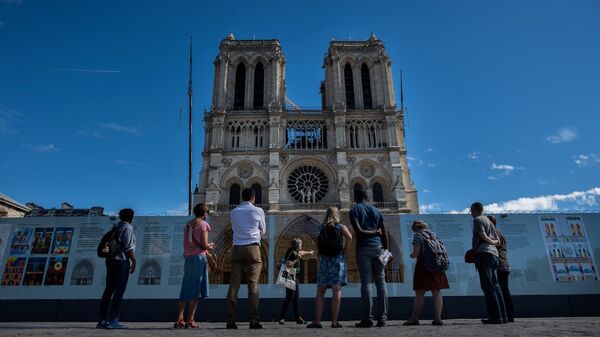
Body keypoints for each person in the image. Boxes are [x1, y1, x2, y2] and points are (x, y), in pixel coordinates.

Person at [226, 188, 266, 329]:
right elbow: (264, 230)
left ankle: (231, 320)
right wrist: (258, 232)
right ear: (253, 198)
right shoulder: (258, 211)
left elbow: (235, 228)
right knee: (253, 286)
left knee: (234, 286)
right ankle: (254, 320)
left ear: (242, 198)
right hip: (252, 249)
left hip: (236, 249)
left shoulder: (234, 212)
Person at [307, 206, 353, 329]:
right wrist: (345, 250)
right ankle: (334, 322)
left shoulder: (320, 227)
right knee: (336, 290)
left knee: (320, 291)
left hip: (323, 260)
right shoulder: (340, 226)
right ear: (337, 215)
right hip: (337, 259)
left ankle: (317, 321)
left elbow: (316, 241)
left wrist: (321, 252)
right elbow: (349, 237)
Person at [349, 189, 388, 328]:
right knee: (381, 283)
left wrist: (373, 232)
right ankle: (382, 318)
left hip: (363, 248)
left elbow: (359, 231)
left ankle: (367, 319)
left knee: (366, 283)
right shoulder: (377, 211)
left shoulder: (354, 210)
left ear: (355, 197)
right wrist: (387, 251)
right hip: (379, 248)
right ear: (367, 196)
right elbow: (384, 233)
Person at [174, 203, 215, 329]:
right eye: (207, 212)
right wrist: (211, 246)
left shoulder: (188, 225)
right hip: (198, 258)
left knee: (186, 288)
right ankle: (190, 320)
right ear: (205, 213)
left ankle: (179, 319)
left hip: (188, 258)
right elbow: (204, 244)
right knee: (196, 289)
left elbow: (186, 243)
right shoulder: (203, 224)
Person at [403, 220, 449, 326]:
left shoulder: (418, 235)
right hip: (437, 265)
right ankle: (438, 318)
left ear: (415, 228)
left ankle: (414, 318)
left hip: (424, 266)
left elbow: (416, 253)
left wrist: (412, 255)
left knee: (419, 293)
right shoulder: (434, 235)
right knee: (437, 292)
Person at [97, 208, 137, 329]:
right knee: (119, 291)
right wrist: (134, 261)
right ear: (131, 217)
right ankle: (114, 319)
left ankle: (102, 320)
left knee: (109, 290)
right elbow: (129, 247)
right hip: (120, 262)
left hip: (110, 261)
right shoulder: (128, 227)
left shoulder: (117, 226)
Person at [470, 202, 507, 324]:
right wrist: (494, 243)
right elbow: (497, 239)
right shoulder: (490, 221)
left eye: (471, 210)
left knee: (488, 287)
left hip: (484, 254)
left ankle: (495, 317)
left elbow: (482, 235)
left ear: (475, 210)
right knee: (496, 287)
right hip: (494, 255)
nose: (471, 213)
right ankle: (503, 316)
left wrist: (490, 242)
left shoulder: (478, 220)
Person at [278, 238, 314, 325]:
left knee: (296, 297)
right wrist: (296, 259)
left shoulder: (294, 251)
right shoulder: (292, 252)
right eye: (301, 244)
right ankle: (282, 317)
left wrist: (309, 252)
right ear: (298, 245)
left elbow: (301, 253)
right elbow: (289, 264)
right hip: (289, 274)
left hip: (294, 275)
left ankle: (298, 317)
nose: (301, 246)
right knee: (290, 296)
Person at [487, 215, 515, 323]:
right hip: (505, 264)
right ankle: (510, 315)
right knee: (505, 290)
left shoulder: (493, 233)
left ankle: (501, 315)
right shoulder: (500, 234)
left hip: (498, 264)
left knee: (498, 290)